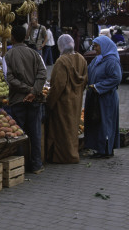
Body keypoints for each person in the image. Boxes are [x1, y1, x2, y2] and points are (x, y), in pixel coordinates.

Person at [5, 25, 47, 174]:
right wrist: (34, 91)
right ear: (25, 37)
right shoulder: (35, 54)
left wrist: (26, 90)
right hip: (34, 100)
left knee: (19, 134)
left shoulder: (9, 55)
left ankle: (19, 166)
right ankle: (36, 165)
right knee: (35, 133)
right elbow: (43, 73)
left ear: (12, 38)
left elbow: (9, 78)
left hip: (18, 100)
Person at [46, 34, 88, 163]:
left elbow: (58, 85)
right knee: (72, 128)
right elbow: (85, 80)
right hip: (76, 101)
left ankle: (65, 156)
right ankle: (73, 152)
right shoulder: (81, 59)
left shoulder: (61, 61)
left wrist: (49, 102)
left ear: (60, 46)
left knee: (62, 129)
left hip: (63, 102)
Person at [84, 35, 122, 158]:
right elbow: (88, 71)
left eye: (96, 46)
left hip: (106, 99)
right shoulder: (98, 59)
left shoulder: (111, 60)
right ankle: (98, 148)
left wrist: (99, 86)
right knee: (97, 122)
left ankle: (106, 150)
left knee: (105, 123)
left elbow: (116, 78)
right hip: (96, 98)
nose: (95, 48)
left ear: (104, 46)